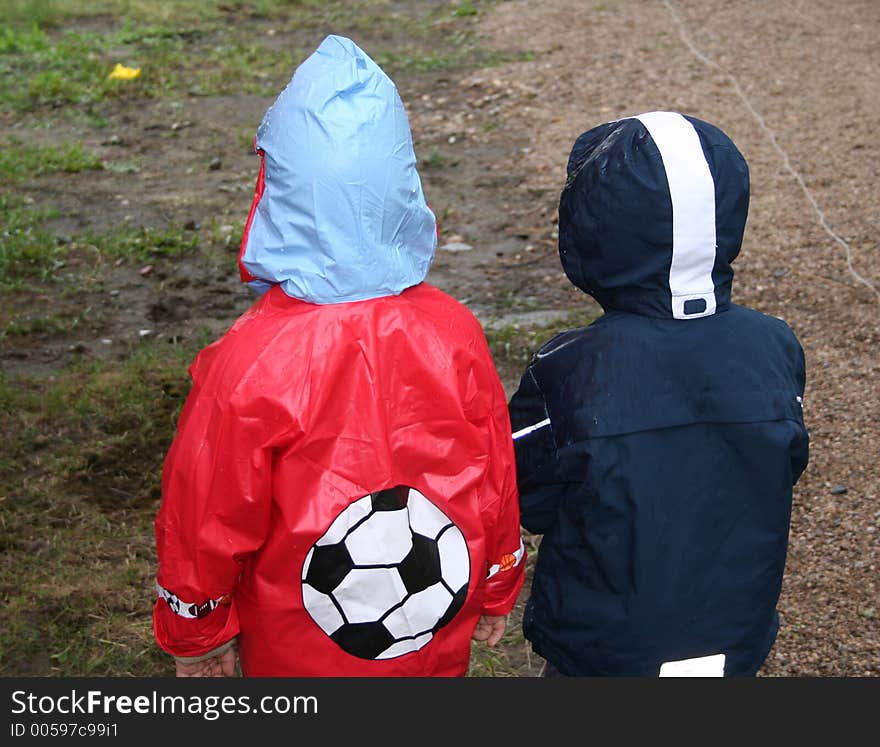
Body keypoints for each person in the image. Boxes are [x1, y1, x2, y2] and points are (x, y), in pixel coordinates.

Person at [153, 35, 525, 677]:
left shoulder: (250, 359)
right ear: (403, 189)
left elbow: (206, 510)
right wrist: (496, 582)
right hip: (432, 637)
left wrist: (198, 624)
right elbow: (495, 474)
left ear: (280, 192)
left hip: (296, 654)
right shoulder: (453, 330)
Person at [508, 111, 809, 677]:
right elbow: (783, 462)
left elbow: (528, 498)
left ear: (590, 231)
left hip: (599, 648)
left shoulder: (568, 367)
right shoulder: (774, 345)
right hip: (734, 639)